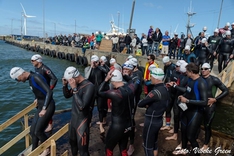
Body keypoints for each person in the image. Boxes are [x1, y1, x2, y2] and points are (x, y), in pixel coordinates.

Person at [10, 67, 55, 156]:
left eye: (17, 79)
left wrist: (44, 108)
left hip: (48, 106)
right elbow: (39, 91)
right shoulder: (30, 79)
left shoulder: (35, 77)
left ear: (20, 74)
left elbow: (49, 92)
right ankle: (34, 151)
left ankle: (47, 149)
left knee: (38, 131)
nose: (18, 81)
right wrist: (37, 98)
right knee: (33, 130)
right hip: (41, 106)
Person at [172, 63, 208, 156]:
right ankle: (184, 149)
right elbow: (188, 91)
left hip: (195, 112)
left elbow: (204, 102)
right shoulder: (190, 80)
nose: (186, 73)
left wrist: (187, 101)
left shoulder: (201, 83)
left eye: (187, 72)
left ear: (192, 72)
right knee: (183, 132)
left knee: (191, 137)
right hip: (186, 110)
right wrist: (182, 96)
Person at [98, 69, 136, 156]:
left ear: (113, 81)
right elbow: (130, 80)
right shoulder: (131, 88)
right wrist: (124, 75)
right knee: (123, 149)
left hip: (117, 127)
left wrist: (106, 79)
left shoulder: (115, 93)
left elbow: (99, 92)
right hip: (129, 125)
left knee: (108, 148)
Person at [63, 66, 95, 156]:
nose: (70, 83)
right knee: (73, 144)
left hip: (82, 121)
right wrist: (64, 85)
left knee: (83, 151)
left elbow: (82, 107)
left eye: (70, 80)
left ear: (75, 77)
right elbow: (66, 96)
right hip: (73, 120)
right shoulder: (76, 85)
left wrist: (74, 89)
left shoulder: (89, 86)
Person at [138, 68, 169, 156]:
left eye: (151, 76)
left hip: (151, 121)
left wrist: (148, 104)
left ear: (156, 78)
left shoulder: (155, 92)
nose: (150, 78)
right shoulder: (165, 88)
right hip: (158, 119)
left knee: (147, 145)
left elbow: (140, 103)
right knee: (154, 142)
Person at [200, 63, 229, 151]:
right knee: (196, 123)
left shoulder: (214, 80)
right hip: (200, 105)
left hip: (210, 107)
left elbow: (225, 91)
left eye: (205, 69)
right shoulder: (199, 79)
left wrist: (215, 99)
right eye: (202, 68)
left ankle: (206, 144)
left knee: (207, 125)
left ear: (209, 70)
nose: (203, 70)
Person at [31, 54, 58, 132]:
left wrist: (50, 89)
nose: (31, 62)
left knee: (47, 108)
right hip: (40, 93)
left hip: (46, 93)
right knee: (39, 108)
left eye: (33, 60)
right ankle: (44, 122)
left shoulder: (44, 68)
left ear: (38, 60)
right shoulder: (36, 69)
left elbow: (54, 79)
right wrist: (36, 97)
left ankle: (50, 125)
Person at [85, 55, 108, 137]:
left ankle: (101, 124)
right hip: (91, 92)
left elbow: (107, 72)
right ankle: (89, 122)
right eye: (93, 61)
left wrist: (101, 65)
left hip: (100, 91)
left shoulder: (101, 69)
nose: (94, 63)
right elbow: (86, 77)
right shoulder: (87, 69)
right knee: (89, 108)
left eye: (96, 61)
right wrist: (92, 67)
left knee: (100, 108)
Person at [160, 56, 176, 131]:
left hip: (172, 88)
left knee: (174, 109)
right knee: (168, 108)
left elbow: (172, 78)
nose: (164, 65)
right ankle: (167, 124)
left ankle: (174, 126)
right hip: (167, 87)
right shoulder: (166, 67)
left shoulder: (173, 67)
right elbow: (165, 75)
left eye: (165, 63)